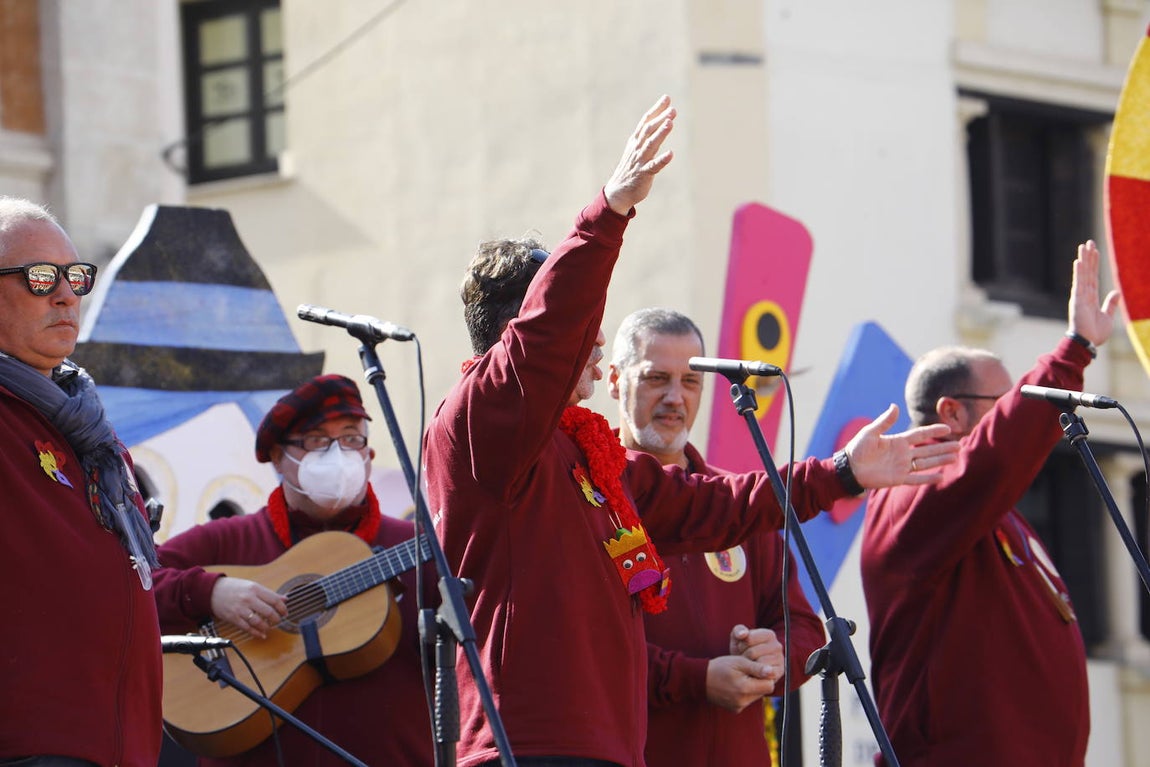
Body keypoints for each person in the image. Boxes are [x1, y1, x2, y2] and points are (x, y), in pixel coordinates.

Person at [422, 95, 958, 767]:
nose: (592, 345)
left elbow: (714, 503)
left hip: (605, 749)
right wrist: (606, 214)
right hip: (524, 745)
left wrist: (843, 471)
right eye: (585, 331)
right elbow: (545, 337)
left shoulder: (583, 454)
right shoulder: (480, 421)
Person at [860, 240, 1121, 767]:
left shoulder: (994, 513)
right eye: (1010, 403)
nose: (1026, 410)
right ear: (950, 413)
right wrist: (1072, 354)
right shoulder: (914, 493)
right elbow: (993, 456)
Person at [153, 374, 433, 766]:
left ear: (368, 456)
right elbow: (128, 583)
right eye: (317, 440)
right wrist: (210, 592)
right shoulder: (226, 540)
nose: (338, 454)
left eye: (352, 438)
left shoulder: (420, 545)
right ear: (279, 457)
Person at [607, 307, 825, 767]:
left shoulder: (737, 503)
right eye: (655, 378)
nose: (674, 398)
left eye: (690, 382)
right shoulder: (590, 500)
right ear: (613, 381)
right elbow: (585, 651)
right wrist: (695, 678)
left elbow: (804, 626)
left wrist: (776, 653)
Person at [0, 197, 162, 766]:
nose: (66, 294)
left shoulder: (91, 430)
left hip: (124, 747)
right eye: (39, 277)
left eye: (75, 275)